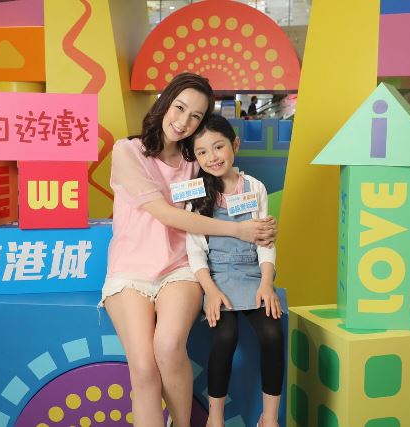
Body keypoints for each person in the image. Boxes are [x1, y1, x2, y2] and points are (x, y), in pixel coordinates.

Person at [101, 73, 276, 427]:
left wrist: (261, 223)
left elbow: (231, 186)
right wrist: (238, 230)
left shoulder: (195, 161)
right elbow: (165, 213)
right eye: (180, 108)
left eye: (195, 116)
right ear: (166, 102)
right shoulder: (127, 151)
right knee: (144, 368)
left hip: (181, 268)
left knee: (168, 347)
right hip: (130, 273)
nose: (183, 122)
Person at [184, 114, 284, 427]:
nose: (212, 157)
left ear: (235, 145)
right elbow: (195, 251)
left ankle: (269, 418)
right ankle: (215, 418)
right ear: (195, 157)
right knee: (225, 336)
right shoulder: (194, 193)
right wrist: (210, 292)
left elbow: (265, 241)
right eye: (202, 152)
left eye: (219, 147)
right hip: (217, 277)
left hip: (253, 273)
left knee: (272, 334)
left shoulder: (255, 187)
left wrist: (266, 283)